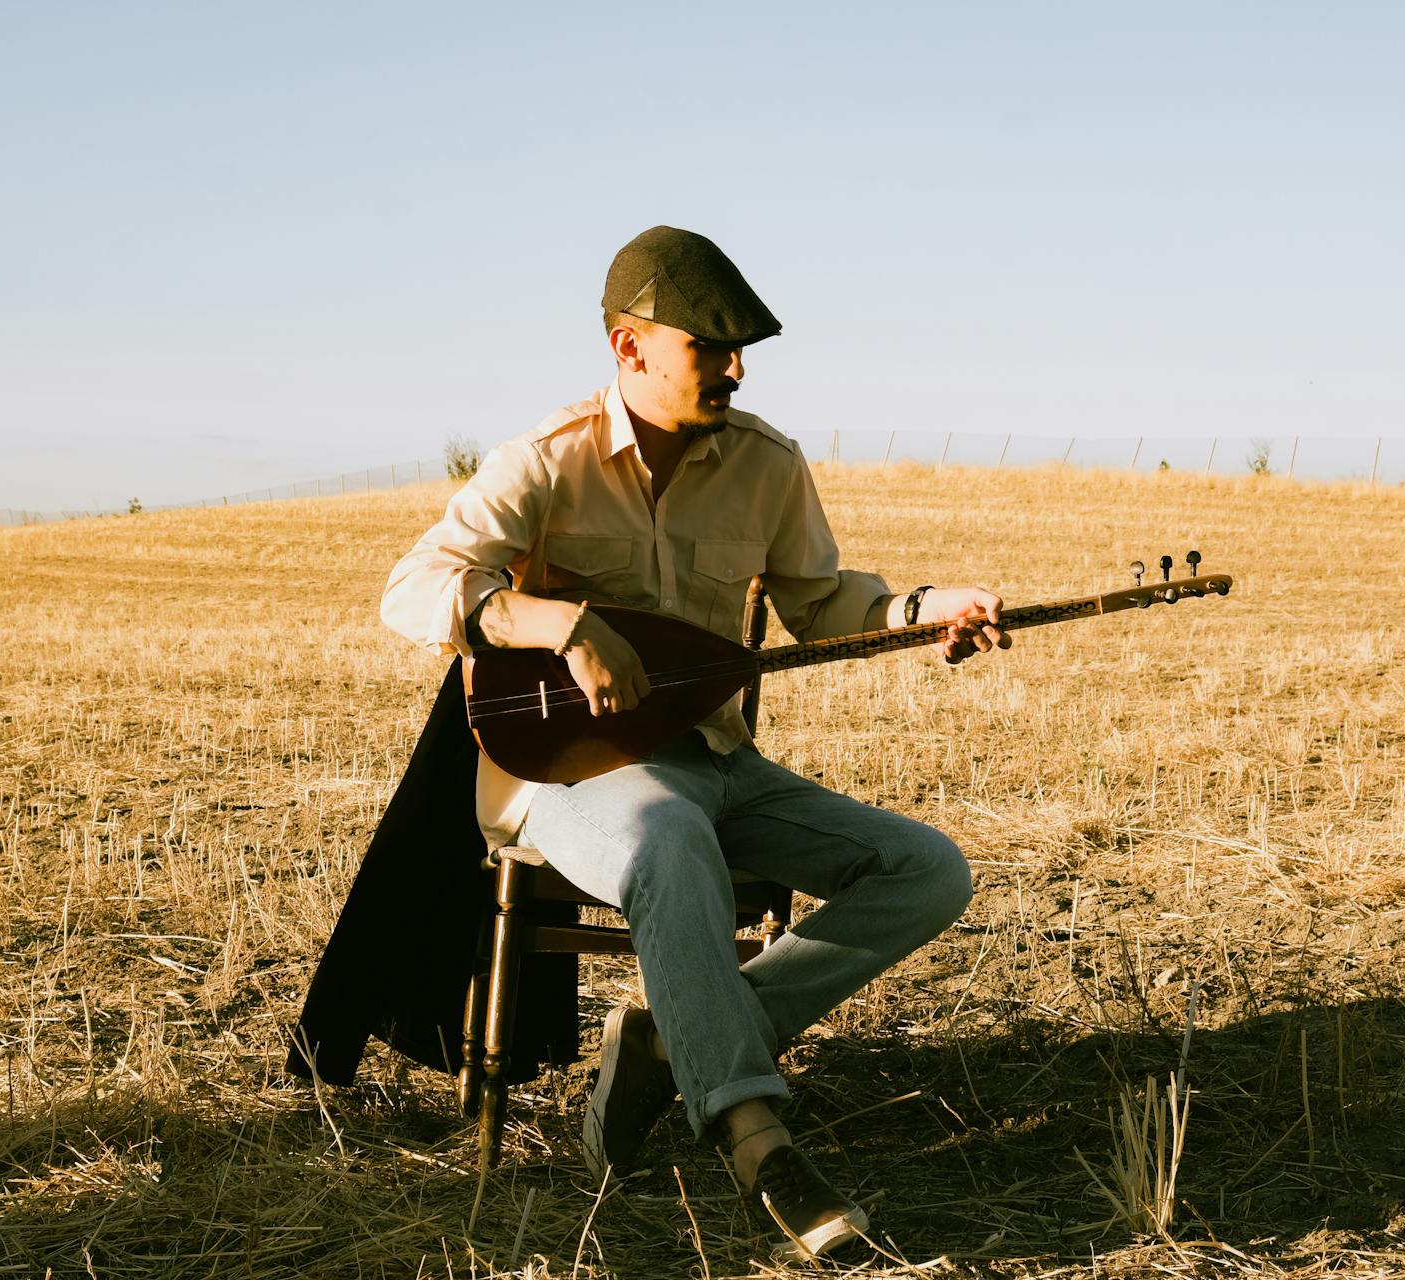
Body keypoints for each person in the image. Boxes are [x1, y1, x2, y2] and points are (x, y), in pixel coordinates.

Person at [378, 225, 1006, 1260]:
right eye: (708, 348)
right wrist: (562, 623)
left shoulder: (766, 466)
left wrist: (925, 606)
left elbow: (823, 600)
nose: (734, 368)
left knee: (927, 868)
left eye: (739, 350)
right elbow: (412, 588)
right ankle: (758, 1136)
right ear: (630, 348)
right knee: (667, 832)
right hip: (566, 775)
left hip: (721, 763)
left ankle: (674, 1034)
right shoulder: (546, 460)